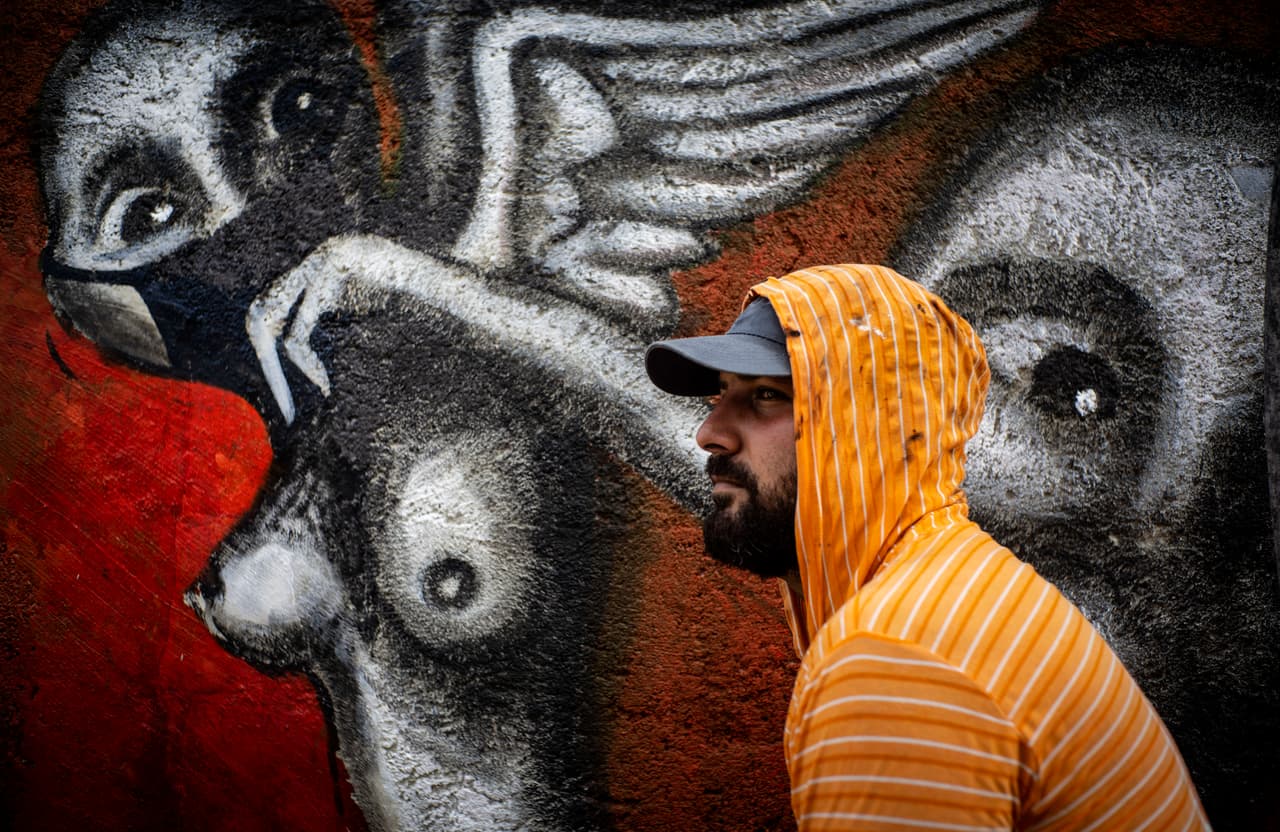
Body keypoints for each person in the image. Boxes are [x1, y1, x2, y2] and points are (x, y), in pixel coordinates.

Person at [645, 264, 1209, 830]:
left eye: (767, 396)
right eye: (721, 394)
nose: (710, 433)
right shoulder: (953, 582)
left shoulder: (888, 665)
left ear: (868, 428)